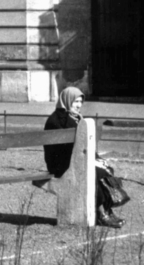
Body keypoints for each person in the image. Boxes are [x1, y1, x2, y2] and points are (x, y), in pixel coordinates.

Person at [43, 86, 127, 228]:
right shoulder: (57, 120)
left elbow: (84, 147)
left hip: (74, 159)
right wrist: (92, 162)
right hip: (61, 164)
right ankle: (102, 214)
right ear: (66, 100)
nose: (79, 105)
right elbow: (61, 150)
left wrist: (97, 160)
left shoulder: (76, 118)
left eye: (81, 102)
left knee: (104, 168)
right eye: (75, 101)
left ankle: (106, 210)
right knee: (94, 172)